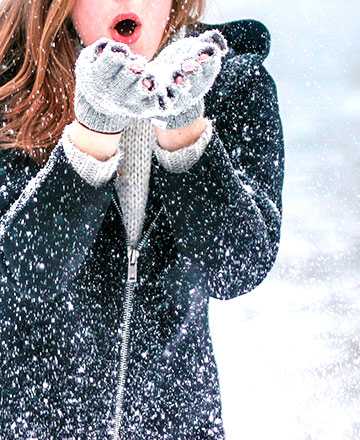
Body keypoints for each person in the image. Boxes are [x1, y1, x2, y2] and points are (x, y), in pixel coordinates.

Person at [0, 0, 284, 438]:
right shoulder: (11, 87)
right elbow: (22, 273)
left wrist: (185, 130)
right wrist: (94, 131)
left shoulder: (232, 85)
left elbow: (236, 268)